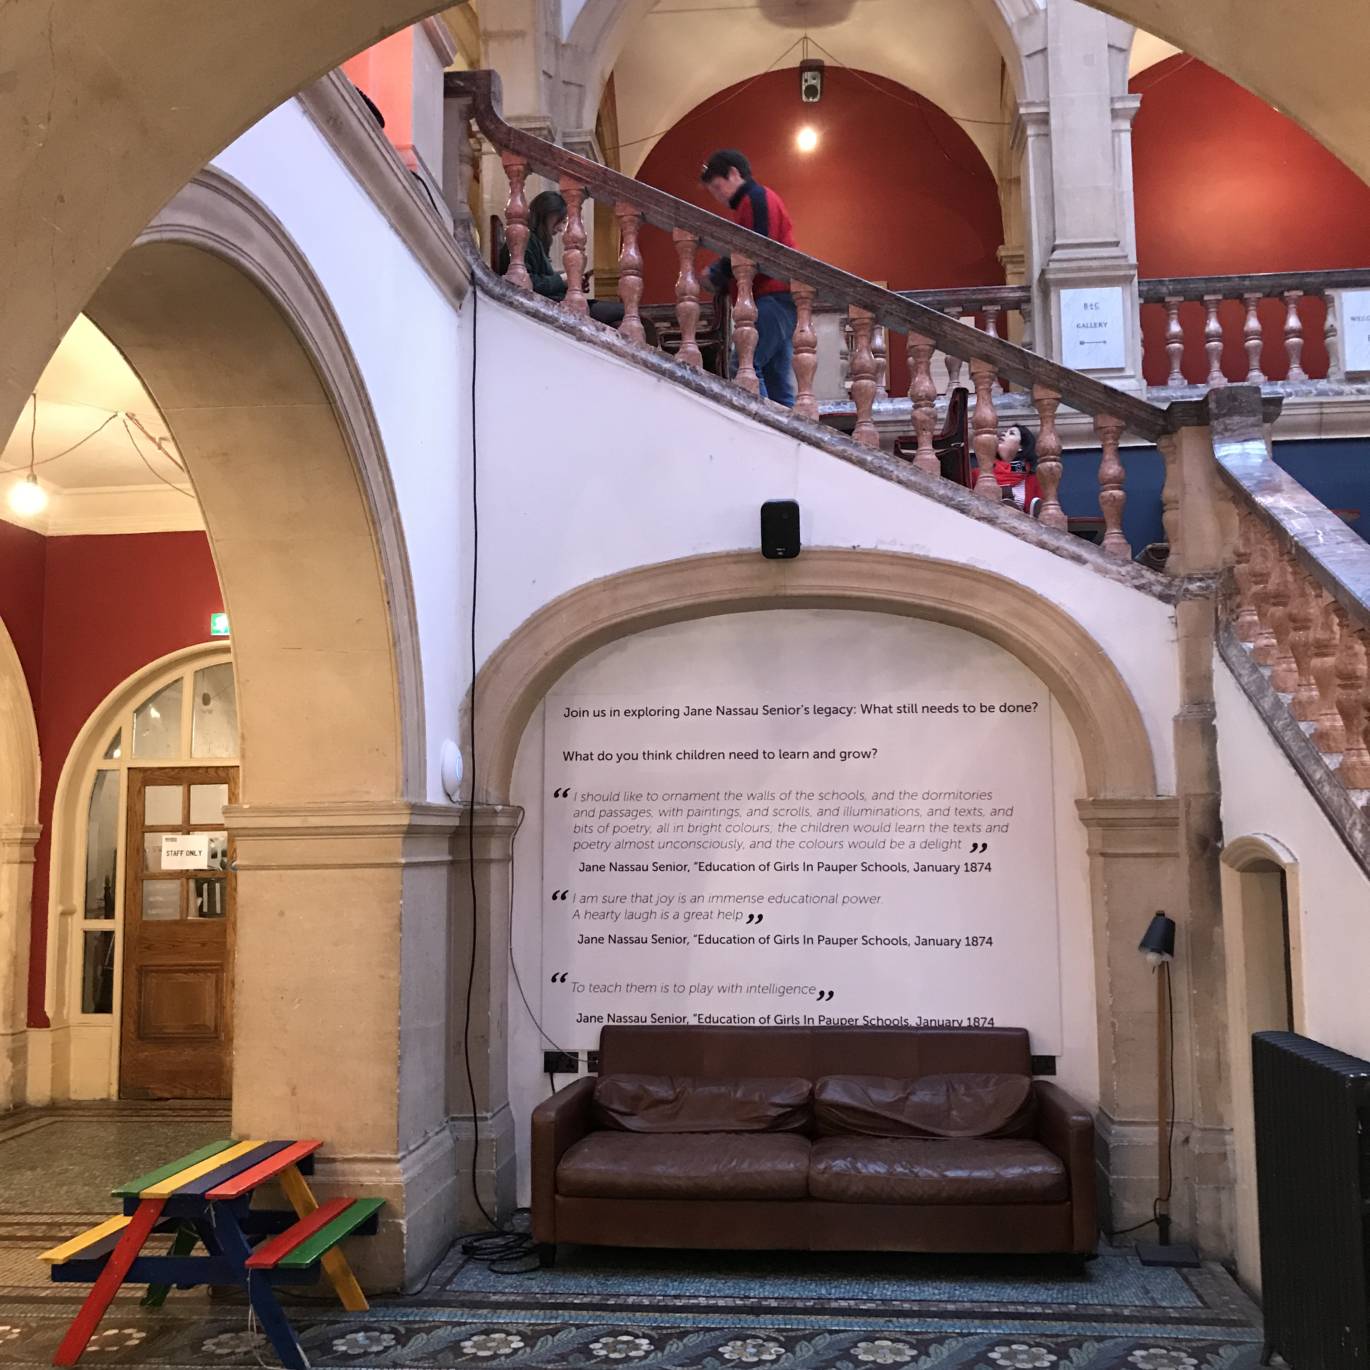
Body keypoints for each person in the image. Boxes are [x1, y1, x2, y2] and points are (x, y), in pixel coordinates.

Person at [699, 150, 798, 408]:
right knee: (777, 381)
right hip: (780, 297)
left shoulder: (755, 198)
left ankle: (764, 435)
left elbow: (756, 247)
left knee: (744, 365)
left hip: (770, 295)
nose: (719, 197)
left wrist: (717, 272)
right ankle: (787, 441)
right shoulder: (756, 200)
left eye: (719, 187)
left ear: (734, 173)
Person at [499, 189, 625, 327]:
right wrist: (562, 280)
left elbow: (539, 279)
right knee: (623, 311)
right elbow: (526, 284)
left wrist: (570, 282)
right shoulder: (527, 241)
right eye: (560, 221)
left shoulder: (533, 241)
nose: (560, 228)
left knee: (622, 314)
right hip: (551, 308)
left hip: (555, 304)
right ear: (546, 214)